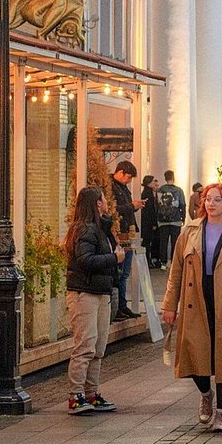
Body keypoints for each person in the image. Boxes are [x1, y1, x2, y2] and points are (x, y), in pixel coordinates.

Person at [160, 180, 222, 431]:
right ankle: (206, 394)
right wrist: (169, 305)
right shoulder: (190, 231)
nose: (212, 204)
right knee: (194, 351)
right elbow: (176, 271)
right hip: (197, 298)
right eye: (208, 199)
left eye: (218, 199)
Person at [62, 185, 123, 414]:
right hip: (84, 292)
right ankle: (75, 395)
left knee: (98, 347)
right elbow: (85, 260)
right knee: (85, 345)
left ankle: (92, 393)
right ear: (98, 203)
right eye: (104, 199)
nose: (107, 202)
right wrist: (113, 258)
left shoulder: (100, 228)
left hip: (101, 292)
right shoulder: (84, 229)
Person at [108, 161, 142, 321]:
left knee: (125, 272)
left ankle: (122, 305)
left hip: (128, 233)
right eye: (128, 177)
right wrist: (131, 205)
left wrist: (134, 206)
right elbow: (113, 210)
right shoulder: (111, 187)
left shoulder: (122, 188)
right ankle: (119, 306)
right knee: (120, 271)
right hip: (120, 234)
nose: (129, 181)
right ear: (120, 172)